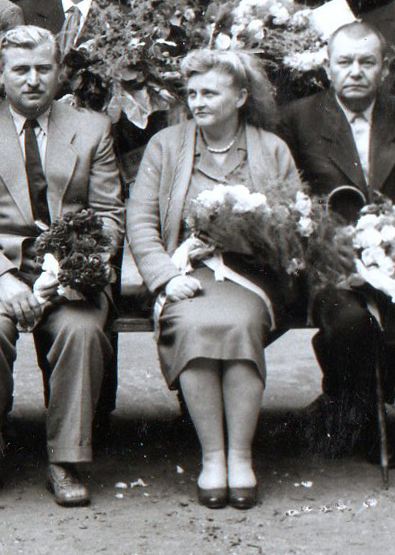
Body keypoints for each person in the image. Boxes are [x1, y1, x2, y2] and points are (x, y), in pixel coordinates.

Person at [0, 25, 124, 507]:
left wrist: (75, 269)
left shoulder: (91, 128)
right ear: (1, 74)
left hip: (70, 266)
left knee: (81, 332)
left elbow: (109, 215)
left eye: (44, 68)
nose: (33, 80)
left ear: (60, 72)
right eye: (20, 70)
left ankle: (66, 459)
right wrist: (2, 280)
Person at [126, 49, 299, 511]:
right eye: (192, 93)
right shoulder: (166, 145)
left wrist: (251, 233)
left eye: (210, 93)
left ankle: (240, 457)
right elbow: (140, 221)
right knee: (194, 323)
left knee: (238, 324)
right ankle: (212, 456)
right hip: (185, 271)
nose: (198, 102)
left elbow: (293, 226)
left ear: (241, 96)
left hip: (253, 275)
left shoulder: (271, 149)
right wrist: (164, 278)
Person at [278, 23, 395, 459]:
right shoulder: (298, 118)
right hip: (328, 259)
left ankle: (348, 403)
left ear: (383, 68)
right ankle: (370, 423)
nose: (355, 71)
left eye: (366, 62)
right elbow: (286, 197)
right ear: (327, 67)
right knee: (349, 322)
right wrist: (320, 242)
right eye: (345, 62)